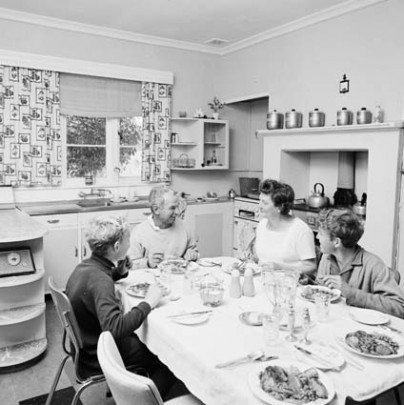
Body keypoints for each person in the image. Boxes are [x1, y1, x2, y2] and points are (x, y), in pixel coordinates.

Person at [66, 215, 190, 400]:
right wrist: (148, 302)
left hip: (86, 344)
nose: (129, 244)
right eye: (127, 241)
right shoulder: (100, 280)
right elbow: (114, 328)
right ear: (116, 247)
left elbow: (96, 285)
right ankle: (147, 400)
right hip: (98, 355)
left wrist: (119, 272)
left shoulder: (86, 267)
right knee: (165, 355)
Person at [316, 208, 404, 318]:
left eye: (320, 233)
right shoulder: (326, 257)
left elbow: (400, 308)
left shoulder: (374, 265)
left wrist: (350, 292)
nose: (317, 237)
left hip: (362, 331)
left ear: (336, 242)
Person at [252, 179, 317, 274]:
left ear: (280, 207)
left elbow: (311, 267)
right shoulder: (262, 225)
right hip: (263, 279)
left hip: (288, 283)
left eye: (265, 203)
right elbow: (261, 257)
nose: (259, 206)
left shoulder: (301, 230)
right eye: (260, 201)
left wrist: (281, 267)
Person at [129, 186, 199, 268]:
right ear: (156, 209)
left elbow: (193, 250)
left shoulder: (184, 227)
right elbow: (129, 266)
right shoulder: (138, 233)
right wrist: (147, 263)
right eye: (172, 208)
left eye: (177, 207)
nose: (177, 212)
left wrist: (192, 254)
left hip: (179, 277)